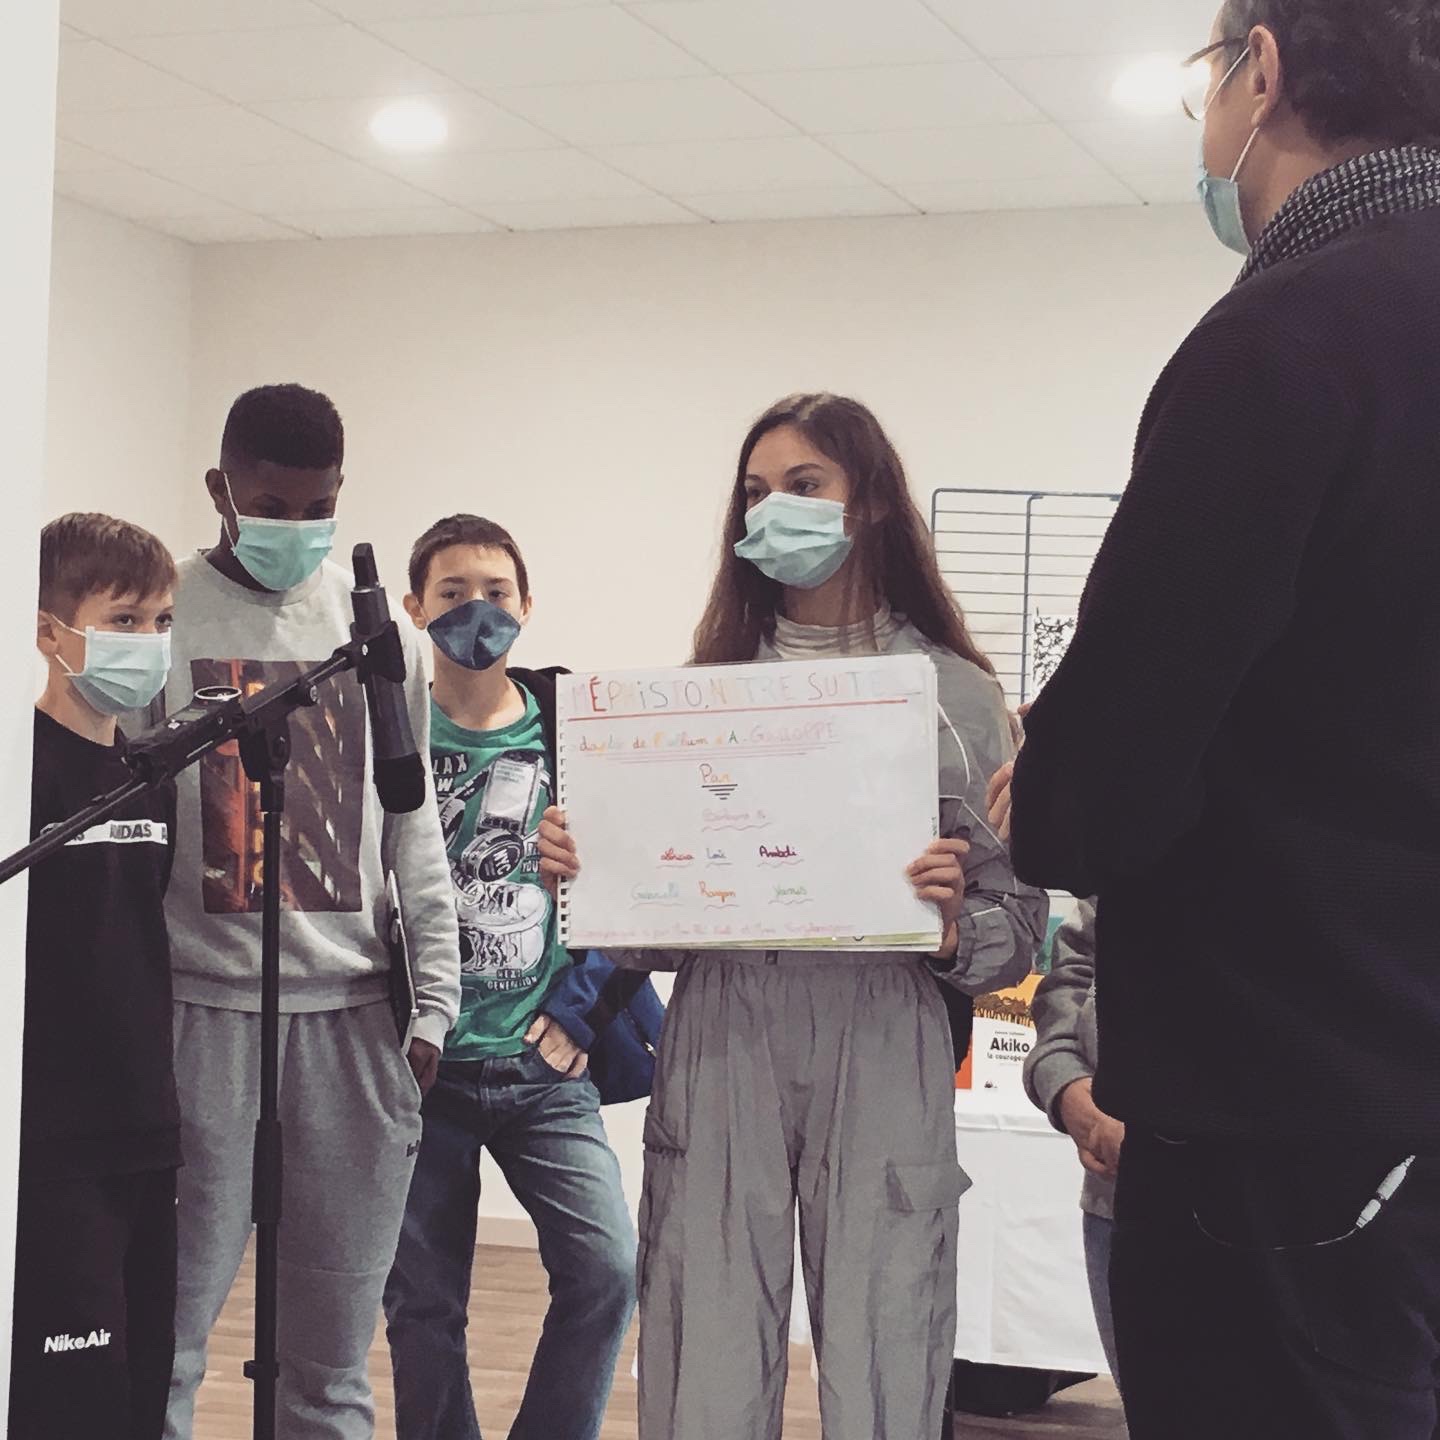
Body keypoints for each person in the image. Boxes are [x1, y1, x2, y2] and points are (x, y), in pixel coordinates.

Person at [1007, 4, 1440, 1437]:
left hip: (1294, 1129)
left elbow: (1100, 788)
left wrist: (1047, 776)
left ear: (1262, 69)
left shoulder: (1295, 331)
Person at [540, 393, 1049, 1440]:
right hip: (726, 1025)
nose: (774, 509)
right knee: (707, 1348)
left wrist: (955, 926)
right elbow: (645, 931)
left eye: (804, 485)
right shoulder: (701, 698)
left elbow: (1019, 922)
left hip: (884, 1024)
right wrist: (592, 875)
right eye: (756, 492)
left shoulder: (954, 696)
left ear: (870, 502)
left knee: (888, 1341)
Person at [160, 385, 461, 1440]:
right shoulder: (166, 615)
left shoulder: (379, 633)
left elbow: (414, 825)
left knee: (329, 1370)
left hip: (350, 1021)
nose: (295, 527)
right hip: (199, 1014)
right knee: (168, 1349)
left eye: (318, 507)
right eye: (271, 505)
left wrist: (435, 1008)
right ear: (220, 489)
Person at [384, 514, 637, 1440]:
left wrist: (581, 1010)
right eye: (452, 594)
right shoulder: (390, 733)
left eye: (496, 592)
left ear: (528, 604)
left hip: (543, 1069)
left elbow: (637, 878)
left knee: (608, 1269)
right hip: (421, 1070)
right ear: (415, 608)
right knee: (422, 1303)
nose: (477, 611)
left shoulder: (574, 728)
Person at [13, 514, 178, 1440]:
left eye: (160, 621)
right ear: (52, 631)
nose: (148, 643)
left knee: (140, 1390)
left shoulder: (150, 776)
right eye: (123, 621)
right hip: (53, 1138)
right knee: (68, 1401)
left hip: (146, 1129)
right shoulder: (17, 771)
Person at [1020, 900, 1122, 1384]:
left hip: (1282, 1202)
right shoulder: (1125, 865)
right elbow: (1073, 973)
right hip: (1119, 1193)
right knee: (1151, 1406)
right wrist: (1066, 1086)